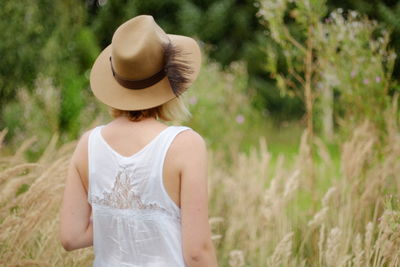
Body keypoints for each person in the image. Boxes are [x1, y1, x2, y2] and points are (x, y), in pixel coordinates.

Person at [59, 15, 218, 267]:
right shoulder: (185, 145)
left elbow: (71, 236)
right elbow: (197, 252)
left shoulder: (88, 144)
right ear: (170, 82)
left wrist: (120, 220)